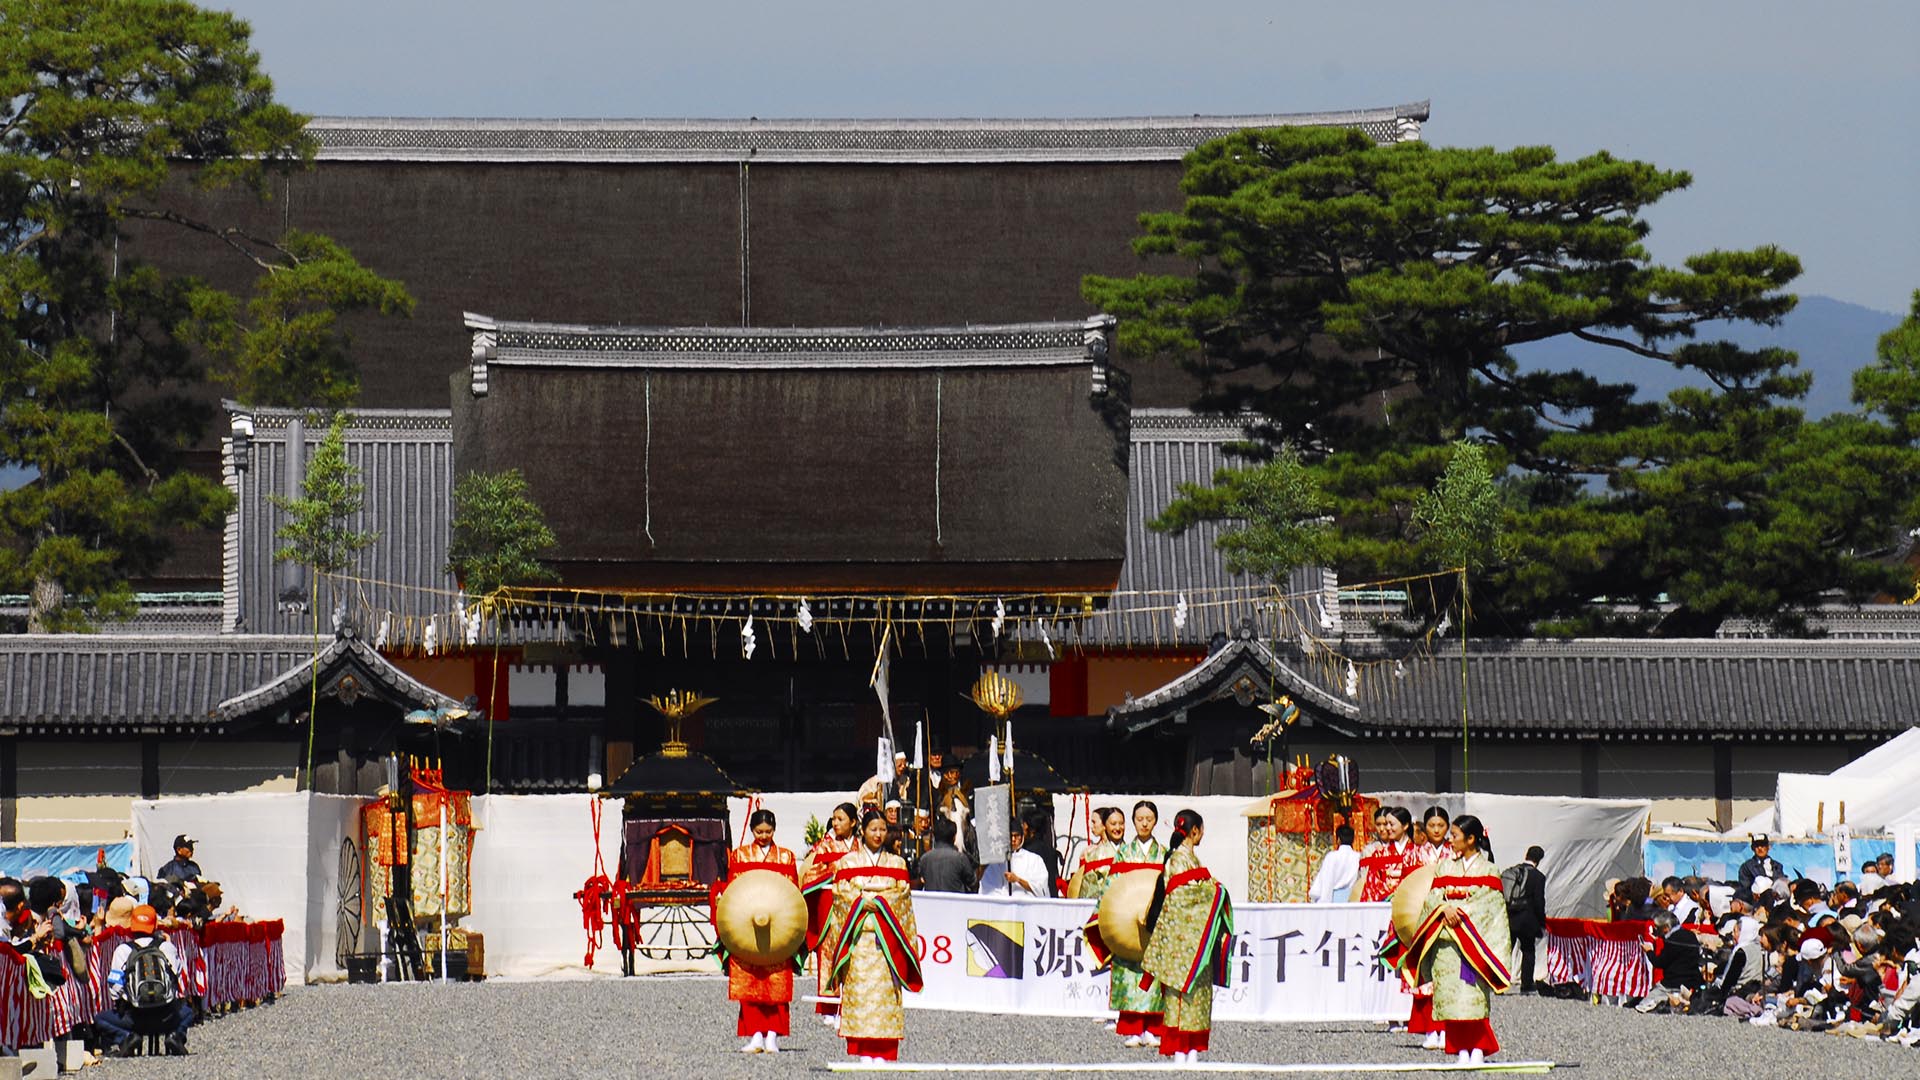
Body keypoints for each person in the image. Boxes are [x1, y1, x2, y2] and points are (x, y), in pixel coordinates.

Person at [1402, 814, 1512, 1066]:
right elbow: (1433, 898)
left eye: (1455, 835)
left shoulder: (1489, 869)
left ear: (1471, 839)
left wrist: (1459, 913)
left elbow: (1489, 906)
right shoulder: (1445, 867)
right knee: (1450, 997)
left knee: (1473, 998)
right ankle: (1460, 1048)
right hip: (1446, 943)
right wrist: (1443, 910)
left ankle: (1478, 1049)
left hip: (1473, 944)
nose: (1451, 840)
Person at [824, 808, 923, 1063]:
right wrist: (859, 903)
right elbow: (840, 894)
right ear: (863, 831)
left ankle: (883, 1051)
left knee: (885, 996)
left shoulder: (897, 862)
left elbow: (902, 897)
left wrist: (875, 901)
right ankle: (862, 1051)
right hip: (860, 938)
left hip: (887, 940)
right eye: (873, 829)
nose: (878, 834)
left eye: (882, 829)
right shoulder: (848, 862)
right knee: (860, 995)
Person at [1138, 809, 1233, 1065]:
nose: (1202, 834)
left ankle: (1192, 1049)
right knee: (1181, 996)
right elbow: (1183, 897)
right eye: (1201, 830)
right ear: (1194, 831)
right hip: (1180, 938)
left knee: (1196, 995)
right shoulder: (1178, 859)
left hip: (1194, 938)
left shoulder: (1190, 859)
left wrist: (1210, 890)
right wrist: (1216, 892)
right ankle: (1181, 1049)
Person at [720, 809, 799, 1054]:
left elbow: (793, 892)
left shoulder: (786, 857)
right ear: (752, 831)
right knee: (750, 981)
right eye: (759, 832)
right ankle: (755, 1034)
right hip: (748, 923)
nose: (764, 836)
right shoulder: (740, 856)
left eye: (768, 831)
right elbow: (734, 890)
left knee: (777, 982)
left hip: (778, 925)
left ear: (775, 829)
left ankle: (773, 1035)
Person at [1107, 800, 1168, 1049]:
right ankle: (1133, 1028)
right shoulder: (1123, 853)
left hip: (1154, 922)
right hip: (1127, 921)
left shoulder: (1163, 853)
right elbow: (1111, 888)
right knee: (1129, 972)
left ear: (1155, 821)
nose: (1144, 823)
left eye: (1149, 819)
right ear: (1134, 821)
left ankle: (1153, 1028)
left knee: (1153, 975)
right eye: (1140, 819)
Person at [94, 904, 192, 1057]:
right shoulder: (166, 947)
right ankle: (175, 1036)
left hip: (134, 1018)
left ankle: (127, 1037)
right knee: (188, 1012)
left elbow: (115, 990)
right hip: (166, 1016)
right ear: (154, 926)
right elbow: (179, 976)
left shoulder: (122, 950)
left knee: (100, 1018)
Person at [801, 802, 859, 1028]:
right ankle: (829, 1004)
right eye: (834, 819)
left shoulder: (860, 846)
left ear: (853, 822)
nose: (835, 823)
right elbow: (810, 873)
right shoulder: (824, 846)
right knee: (828, 954)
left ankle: (851, 1004)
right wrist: (837, 868)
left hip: (853, 906)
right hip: (829, 906)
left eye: (841, 819)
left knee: (853, 953)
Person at [1502, 845, 1548, 993]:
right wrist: (1542, 922)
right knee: (1528, 951)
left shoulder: (1513, 871)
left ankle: (1499, 981)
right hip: (1528, 919)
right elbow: (1539, 902)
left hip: (1510, 915)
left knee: (1506, 950)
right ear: (1539, 859)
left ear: (1526, 855)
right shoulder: (1538, 876)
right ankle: (1526, 984)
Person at [977, 816, 1048, 897]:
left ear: (1022, 837)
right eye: (1010, 836)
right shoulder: (995, 861)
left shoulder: (1034, 860)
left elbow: (1040, 888)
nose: (1013, 839)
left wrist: (1018, 880)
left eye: (1017, 836)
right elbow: (988, 888)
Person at [1069, 807, 1125, 900]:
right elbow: (1086, 889)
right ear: (1105, 825)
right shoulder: (1093, 854)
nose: (1118, 828)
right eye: (1113, 824)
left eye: (1121, 823)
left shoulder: (1130, 851)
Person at [915, 818, 974, 893]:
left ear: (934, 836)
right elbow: (973, 883)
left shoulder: (924, 859)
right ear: (954, 837)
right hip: (955, 903)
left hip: (931, 903)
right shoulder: (960, 859)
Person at [1309, 825, 1361, 904]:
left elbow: (1327, 881)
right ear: (1353, 840)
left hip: (1334, 899)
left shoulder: (1332, 857)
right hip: (1353, 899)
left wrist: (1324, 901)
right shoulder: (1358, 857)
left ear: (1338, 840)